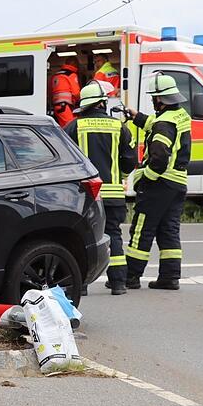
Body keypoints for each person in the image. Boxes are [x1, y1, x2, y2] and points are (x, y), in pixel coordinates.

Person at [64, 82, 136, 294]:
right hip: (113, 196)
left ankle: (81, 286)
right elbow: (130, 161)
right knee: (113, 235)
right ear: (102, 103)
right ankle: (118, 283)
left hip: (84, 196)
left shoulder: (73, 127)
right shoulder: (119, 127)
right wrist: (119, 175)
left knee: (82, 238)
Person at [123, 73, 191, 290]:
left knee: (141, 229)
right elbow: (156, 124)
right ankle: (170, 277)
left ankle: (130, 277)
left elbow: (159, 158)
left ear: (160, 99)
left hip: (159, 183)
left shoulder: (164, 124)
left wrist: (145, 178)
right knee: (168, 230)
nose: (153, 101)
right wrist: (137, 117)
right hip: (177, 183)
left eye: (154, 97)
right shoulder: (179, 115)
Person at [50, 57, 81, 128]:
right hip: (65, 107)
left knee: (63, 127)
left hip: (57, 107)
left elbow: (49, 92)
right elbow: (76, 93)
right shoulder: (72, 75)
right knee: (70, 127)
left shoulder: (55, 75)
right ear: (74, 64)